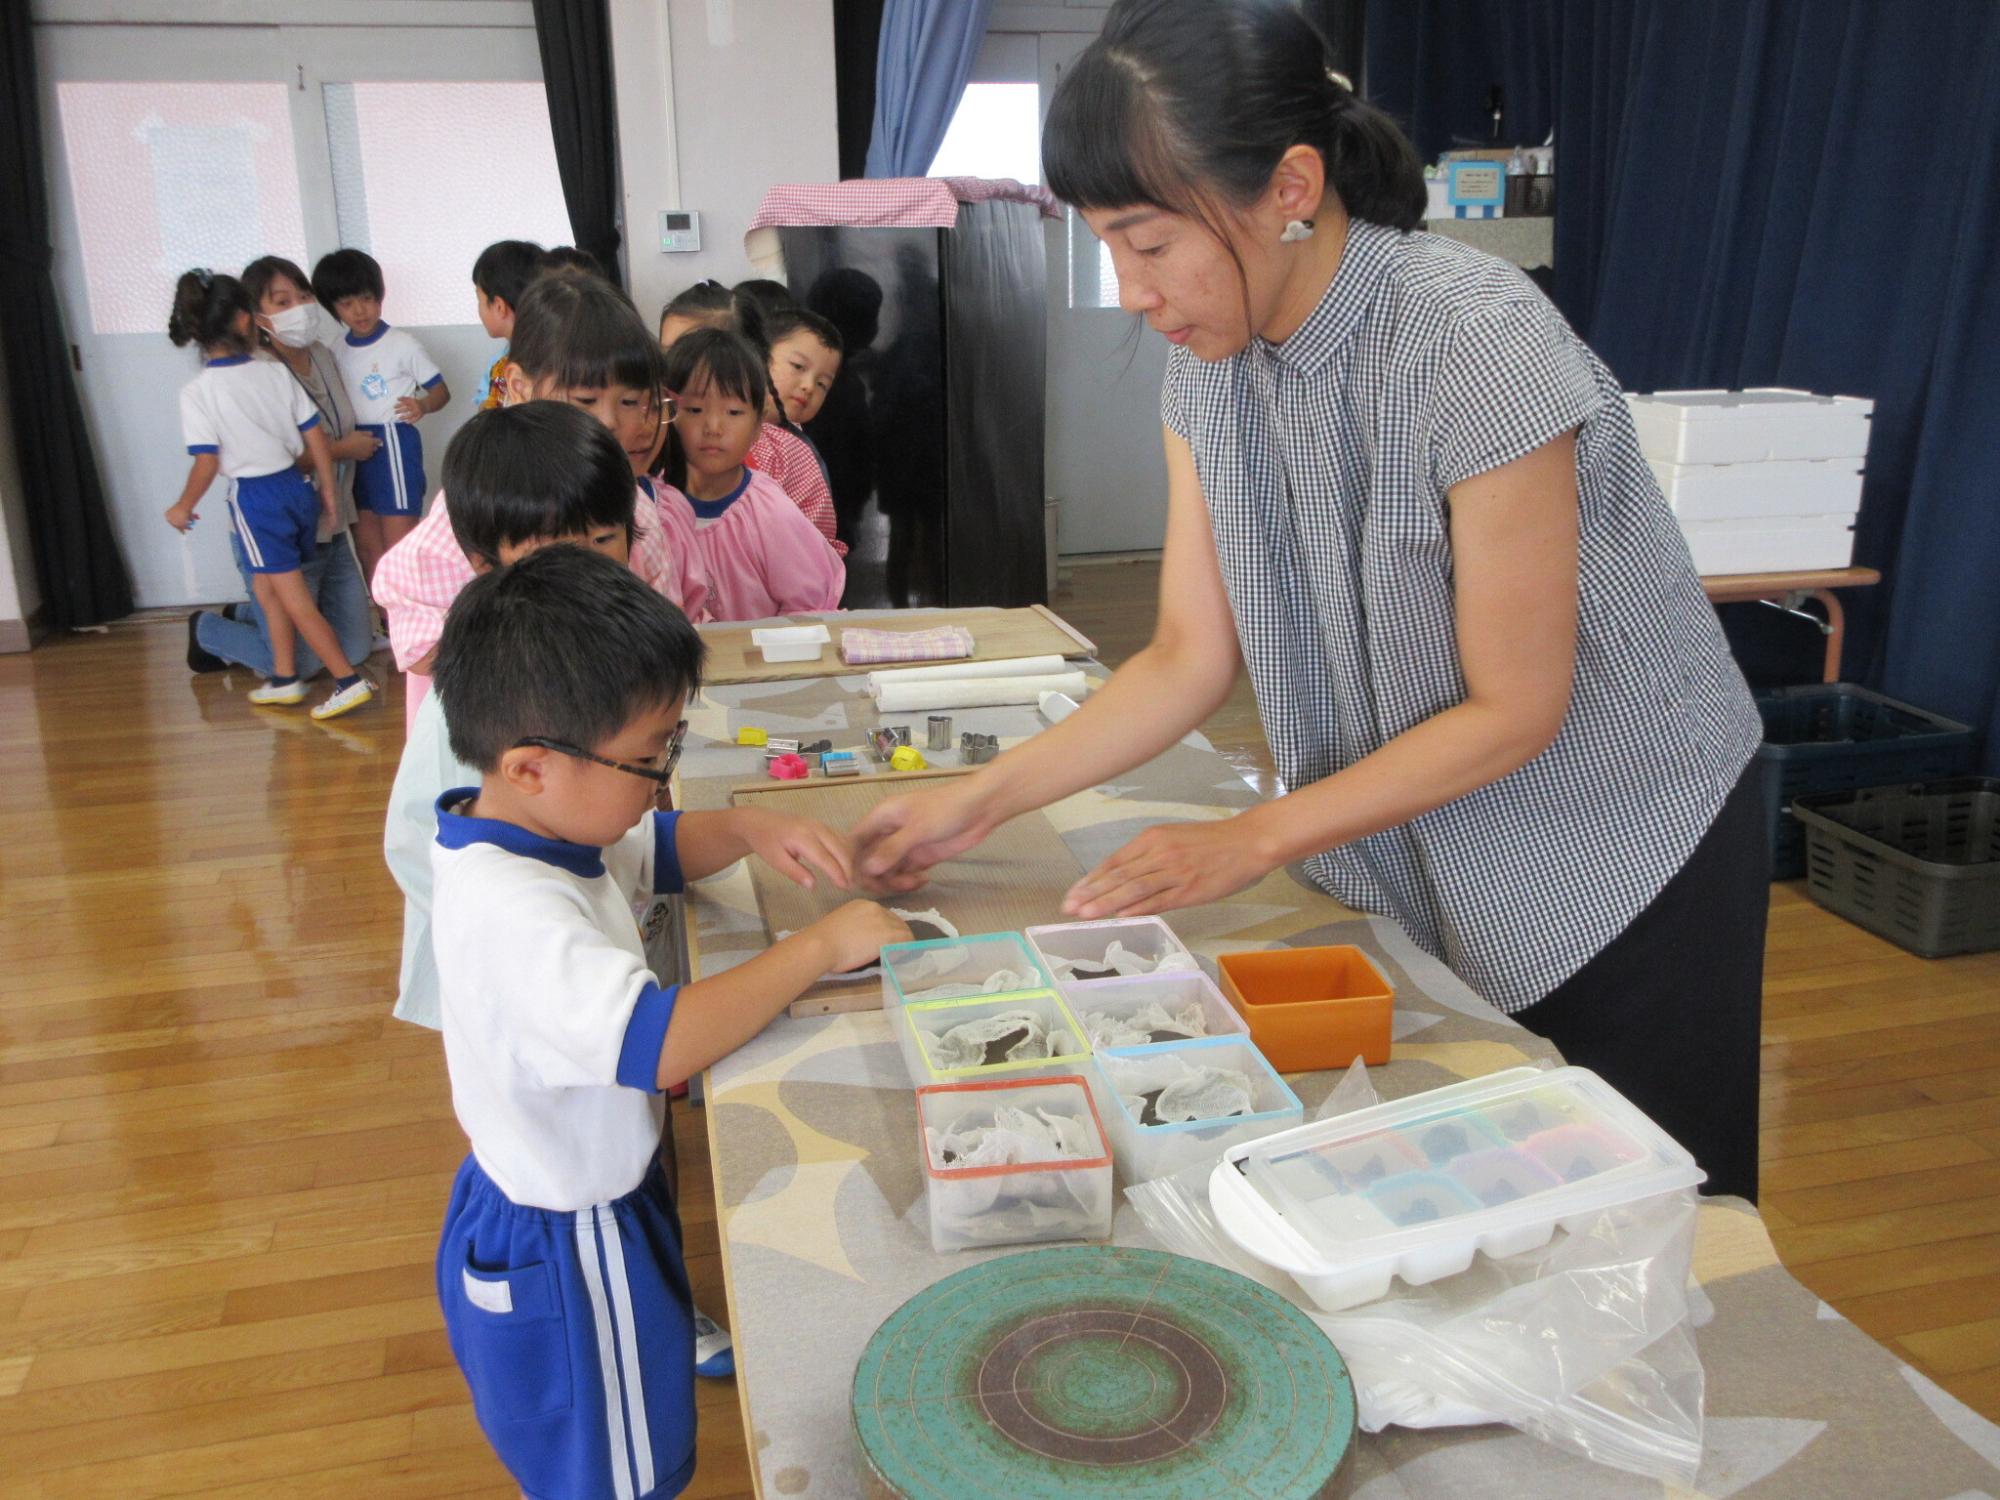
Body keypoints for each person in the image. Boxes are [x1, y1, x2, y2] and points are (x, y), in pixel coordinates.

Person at [853, 0, 1769, 1202]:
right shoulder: (1208, 365)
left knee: (1649, 1213)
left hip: (1620, 846)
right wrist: (971, 808)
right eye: (1106, 247)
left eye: (1148, 242)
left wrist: (1250, 838)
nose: (1131, 291)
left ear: (1290, 184)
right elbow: (1185, 654)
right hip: (1427, 844)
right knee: (1486, 1185)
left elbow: (1514, 707)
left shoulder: (1470, 340)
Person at [429, 544, 908, 1498]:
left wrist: (752, 826)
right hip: (571, 1240)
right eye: (650, 759)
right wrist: (817, 947)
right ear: (531, 765)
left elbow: (656, 843)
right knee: (617, 1473)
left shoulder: (544, 830)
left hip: (585, 1194)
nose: (661, 779)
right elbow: (659, 1043)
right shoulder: (513, 914)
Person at [373, 267, 709, 714]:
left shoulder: (634, 508)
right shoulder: (480, 506)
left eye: (630, 401)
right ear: (519, 386)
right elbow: (418, 642)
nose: (610, 422)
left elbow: (664, 623)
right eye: (586, 400)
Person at [163, 269, 377, 721]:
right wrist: (330, 495)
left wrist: (183, 506)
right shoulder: (273, 373)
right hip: (298, 491)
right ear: (247, 321)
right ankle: (283, 678)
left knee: (291, 595)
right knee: (268, 586)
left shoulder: (198, 393)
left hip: (257, 500)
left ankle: (347, 681)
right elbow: (315, 435)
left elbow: (207, 462)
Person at [657, 328, 845, 619]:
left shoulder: (770, 513)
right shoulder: (652, 504)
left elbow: (810, 607)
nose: (714, 427)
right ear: (667, 413)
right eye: (694, 409)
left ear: (759, 425)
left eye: (733, 412)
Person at [659, 282, 844, 554]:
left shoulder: (789, 457)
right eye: (667, 353)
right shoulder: (649, 441)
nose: (677, 366)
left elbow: (817, 558)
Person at [313, 248, 451, 580]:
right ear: (333, 308)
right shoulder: (335, 350)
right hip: (353, 448)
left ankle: (411, 625)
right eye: (347, 304)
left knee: (400, 546)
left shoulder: (402, 343)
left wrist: (422, 405)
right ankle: (386, 623)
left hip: (393, 445)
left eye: (366, 298)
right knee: (367, 548)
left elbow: (441, 391)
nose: (359, 310)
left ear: (379, 296)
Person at [471, 239, 544, 410]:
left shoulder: (503, 365)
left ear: (499, 306)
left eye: (480, 300)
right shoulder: (559, 351)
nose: (479, 308)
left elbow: (487, 412)